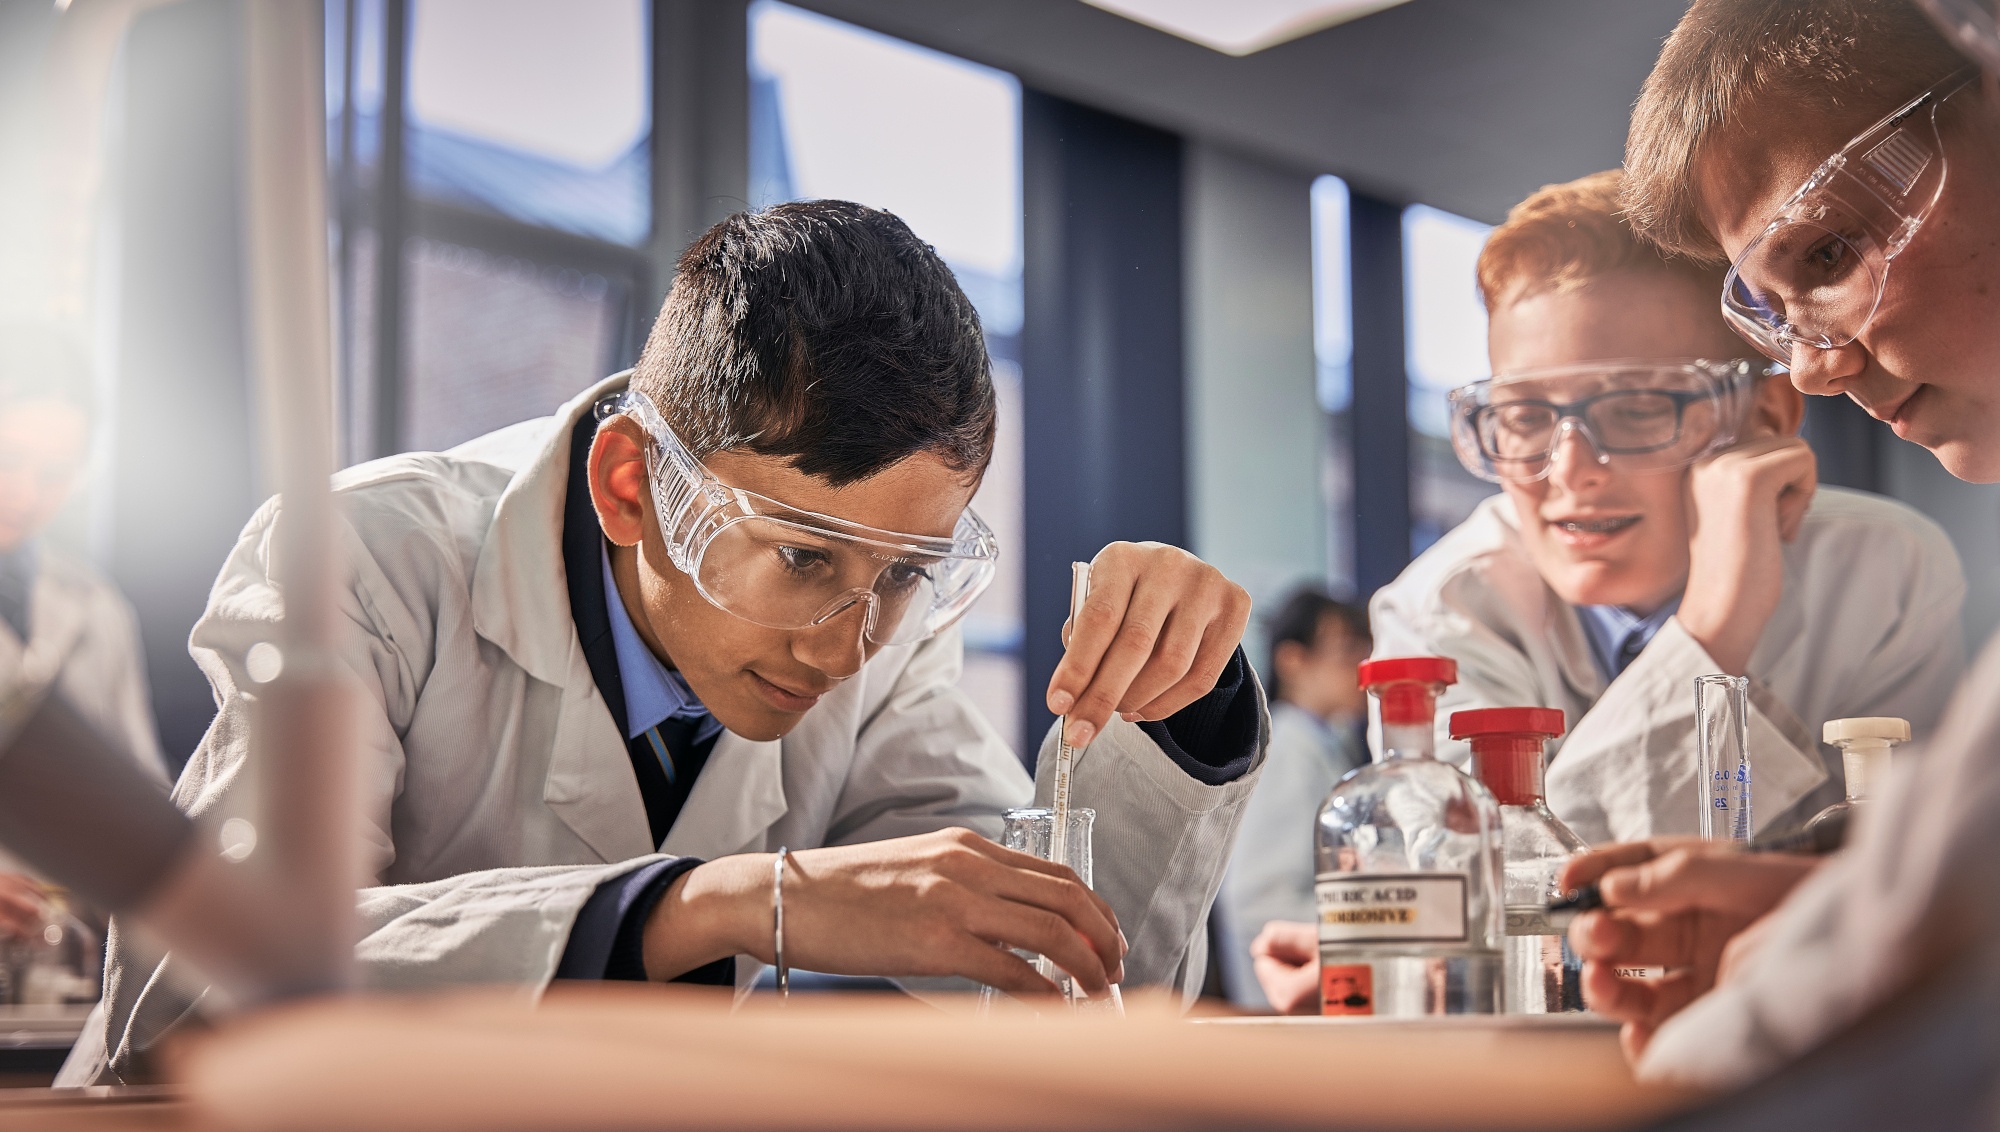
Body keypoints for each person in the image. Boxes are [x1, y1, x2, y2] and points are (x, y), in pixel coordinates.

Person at [74, 201, 1266, 1083]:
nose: (849, 646)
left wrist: (1177, 702)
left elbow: (1047, 982)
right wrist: (712, 905)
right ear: (632, 487)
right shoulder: (363, 557)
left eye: (904, 575)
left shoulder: (872, 637)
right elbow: (208, 984)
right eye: (803, 558)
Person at [1247, 167, 1969, 1015]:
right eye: (1523, 418)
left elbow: (1909, 905)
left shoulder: (1883, 573)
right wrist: (1708, 630)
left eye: (1634, 409)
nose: (1568, 472)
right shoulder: (1441, 613)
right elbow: (1497, 930)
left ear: (1765, 417)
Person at [1556, 0, 2000, 1090]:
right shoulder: (1450, 595)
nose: (1812, 366)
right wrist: (1825, 890)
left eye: (1832, 246)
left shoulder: (1885, 561)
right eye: (1775, 309)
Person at [0, 326, 167, 951]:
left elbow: (142, 795)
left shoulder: (96, 607)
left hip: (64, 958)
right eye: (9, 459)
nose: (27, 493)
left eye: (56, 472)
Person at [1215, 588, 1368, 1008]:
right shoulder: (1285, 746)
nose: (1361, 666)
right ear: (1293, 660)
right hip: (1287, 992)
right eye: (1346, 650)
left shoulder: (1326, 743)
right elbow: (1263, 896)